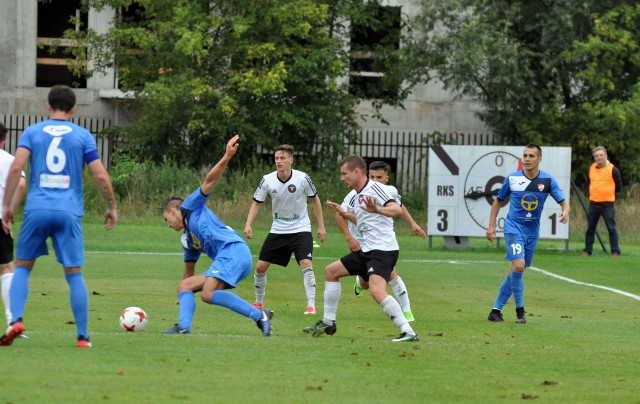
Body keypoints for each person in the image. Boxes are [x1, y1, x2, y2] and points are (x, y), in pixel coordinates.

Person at [0, 85, 118, 348]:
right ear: (74, 108)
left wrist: (7, 206)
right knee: (74, 273)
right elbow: (100, 175)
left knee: (22, 267)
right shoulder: (82, 135)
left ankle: (16, 320)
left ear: (47, 105)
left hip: (37, 210)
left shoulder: (32, 132)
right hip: (68, 211)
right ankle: (83, 337)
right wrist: (112, 206)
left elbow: (17, 166)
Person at [162, 135, 272, 336]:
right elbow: (189, 272)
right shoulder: (188, 240)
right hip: (228, 257)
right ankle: (183, 327)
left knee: (208, 293)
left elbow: (210, 180)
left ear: (172, 211)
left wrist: (227, 156)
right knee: (185, 285)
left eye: (166, 219)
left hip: (233, 251)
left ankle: (259, 315)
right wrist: (184, 293)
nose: (168, 225)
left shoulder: (189, 206)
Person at [303, 155, 419, 342]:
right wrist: (345, 214)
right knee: (331, 272)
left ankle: (408, 331)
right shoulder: (357, 195)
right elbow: (364, 222)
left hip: (383, 250)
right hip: (368, 250)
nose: (342, 178)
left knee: (376, 290)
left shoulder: (375, 188)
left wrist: (378, 210)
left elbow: (396, 210)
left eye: (344, 173)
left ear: (357, 172)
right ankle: (328, 322)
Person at [486, 144, 569, 324]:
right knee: (518, 266)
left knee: (515, 271)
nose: (527, 159)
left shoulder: (547, 181)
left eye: (531, 156)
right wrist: (491, 225)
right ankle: (520, 311)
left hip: (532, 232)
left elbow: (564, 203)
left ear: (539, 159)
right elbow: (497, 202)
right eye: (525, 156)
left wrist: (565, 211)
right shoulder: (512, 179)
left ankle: (495, 311)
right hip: (513, 228)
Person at [334, 161, 425, 322]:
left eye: (379, 177)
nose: (375, 180)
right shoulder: (354, 194)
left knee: (392, 275)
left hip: (381, 244)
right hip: (361, 241)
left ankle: (407, 312)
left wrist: (413, 223)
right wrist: (349, 238)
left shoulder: (389, 192)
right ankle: (359, 282)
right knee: (365, 284)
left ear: (386, 178)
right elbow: (338, 215)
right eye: (372, 177)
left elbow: (399, 207)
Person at [244, 144, 326, 315]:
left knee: (306, 263)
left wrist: (321, 226)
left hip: (301, 229)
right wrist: (248, 224)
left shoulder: (303, 178)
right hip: (278, 229)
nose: (279, 161)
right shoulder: (267, 180)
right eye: (276, 158)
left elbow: (315, 200)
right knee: (260, 268)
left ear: (291, 160)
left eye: (282, 158)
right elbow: (256, 203)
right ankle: (258, 303)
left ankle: (311, 306)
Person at [0, 123, 27, 331]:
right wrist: (9, 212)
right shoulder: (9, 161)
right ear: (3, 141)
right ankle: (12, 321)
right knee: (7, 268)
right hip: (0, 220)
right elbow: (20, 184)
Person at [582, 146, 622, 258]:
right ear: (594, 157)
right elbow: (589, 182)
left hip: (607, 205)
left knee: (611, 228)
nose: (599, 157)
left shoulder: (613, 169)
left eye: (601, 155)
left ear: (606, 156)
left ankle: (615, 252)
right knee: (590, 229)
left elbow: (619, 187)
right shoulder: (591, 168)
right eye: (596, 156)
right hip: (593, 204)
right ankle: (587, 251)